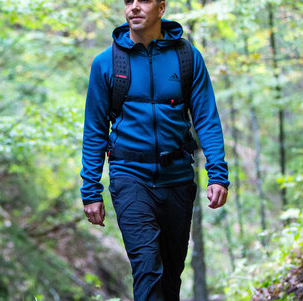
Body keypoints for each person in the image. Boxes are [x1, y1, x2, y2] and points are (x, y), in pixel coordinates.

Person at [79, 0, 229, 300]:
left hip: (177, 179)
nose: (134, 7)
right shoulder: (106, 63)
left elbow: (206, 119)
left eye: (143, 0)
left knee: (171, 276)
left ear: (161, 8)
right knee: (148, 267)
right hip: (129, 177)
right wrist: (90, 190)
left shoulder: (187, 58)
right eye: (128, 1)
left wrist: (218, 174)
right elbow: (95, 130)